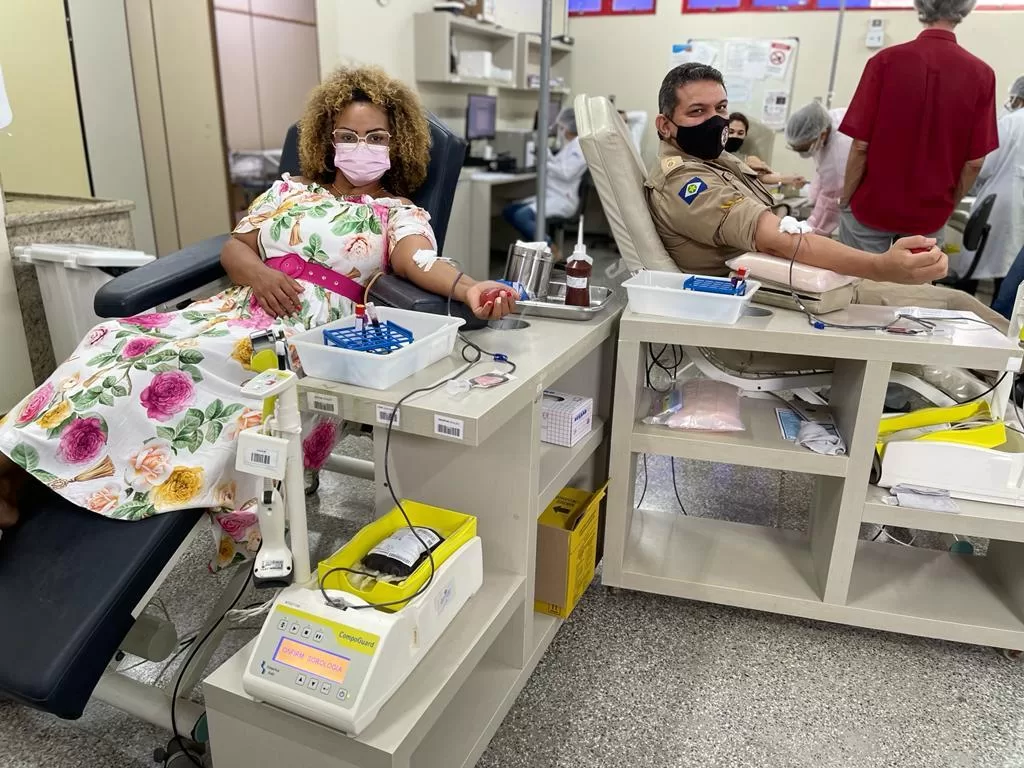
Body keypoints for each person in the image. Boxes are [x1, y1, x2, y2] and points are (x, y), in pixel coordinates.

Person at [0, 66, 516, 531]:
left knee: (166, 363)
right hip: (242, 305)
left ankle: (13, 467)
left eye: (376, 136)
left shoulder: (396, 212)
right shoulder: (286, 192)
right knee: (115, 337)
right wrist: (260, 277)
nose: (362, 146)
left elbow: (419, 260)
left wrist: (471, 288)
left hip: (306, 330)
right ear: (327, 140)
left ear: (396, 143)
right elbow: (235, 248)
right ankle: (17, 469)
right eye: (348, 135)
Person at [645, 62, 1005, 327]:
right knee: (959, 307)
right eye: (697, 112)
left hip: (794, 283)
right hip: (777, 298)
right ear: (665, 125)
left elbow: (753, 180)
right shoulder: (686, 183)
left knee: (960, 305)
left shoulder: (712, 160)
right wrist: (882, 267)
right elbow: (776, 241)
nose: (716, 121)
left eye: (721, 108)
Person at [838, 0, 998, 253]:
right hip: (929, 215)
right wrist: (947, 205)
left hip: (872, 205)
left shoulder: (884, 61)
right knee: (913, 292)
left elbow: (860, 146)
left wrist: (846, 198)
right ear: (964, 10)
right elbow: (975, 162)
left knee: (859, 286)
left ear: (921, 7)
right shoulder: (982, 74)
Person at [956, 76, 1024, 292]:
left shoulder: (1011, 121)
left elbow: (983, 165)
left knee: (979, 262)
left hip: (1001, 203)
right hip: (1013, 207)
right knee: (1011, 272)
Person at [502, 107, 588, 257]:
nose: (559, 131)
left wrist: (543, 163)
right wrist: (546, 155)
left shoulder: (579, 147)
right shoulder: (570, 146)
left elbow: (566, 173)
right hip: (551, 194)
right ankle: (534, 250)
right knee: (510, 210)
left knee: (522, 216)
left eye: (561, 127)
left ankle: (552, 250)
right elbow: (559, 165)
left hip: (563, 199)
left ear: (566, 128)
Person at [784, 101, 853, 237]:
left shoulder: (840, 150)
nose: (802, 153)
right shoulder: (826, 121)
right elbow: (822, 170)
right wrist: (813, 199)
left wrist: (811, 228)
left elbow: (832, 199)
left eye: (804, 148)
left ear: (821, 135)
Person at [726, 112, 805, 189]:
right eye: (731, 132)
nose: (735, 136)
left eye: (740, 133)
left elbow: (765, 177)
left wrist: (791, 179)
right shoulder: (715, 154)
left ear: (745, 134)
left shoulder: (750, 160)